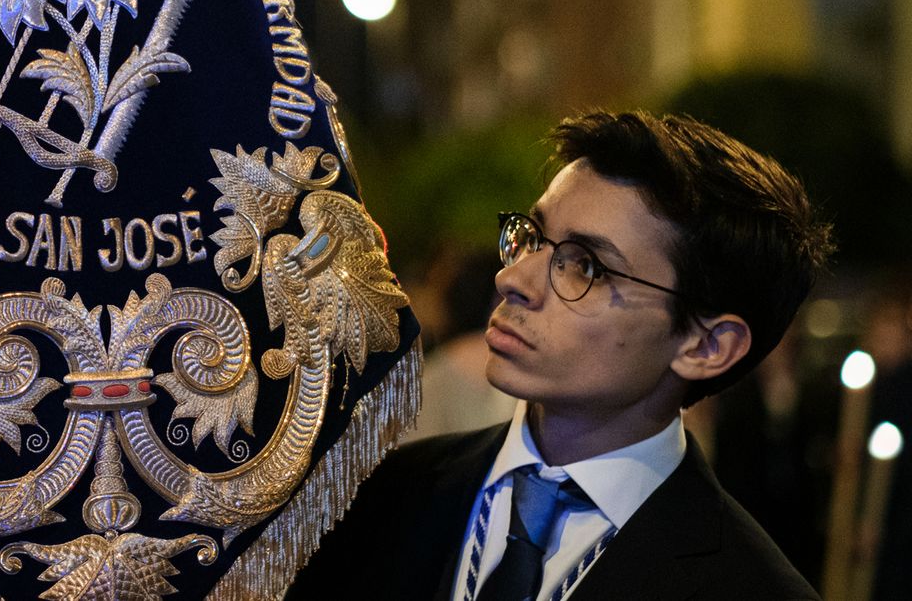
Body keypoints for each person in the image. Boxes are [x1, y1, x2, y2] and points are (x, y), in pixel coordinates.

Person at [289, 110, 833, 600]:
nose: (512, 279)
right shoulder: (365, 502)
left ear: (706, 346)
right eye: (531, 237)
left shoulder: (748, 585)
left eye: (586, 266)